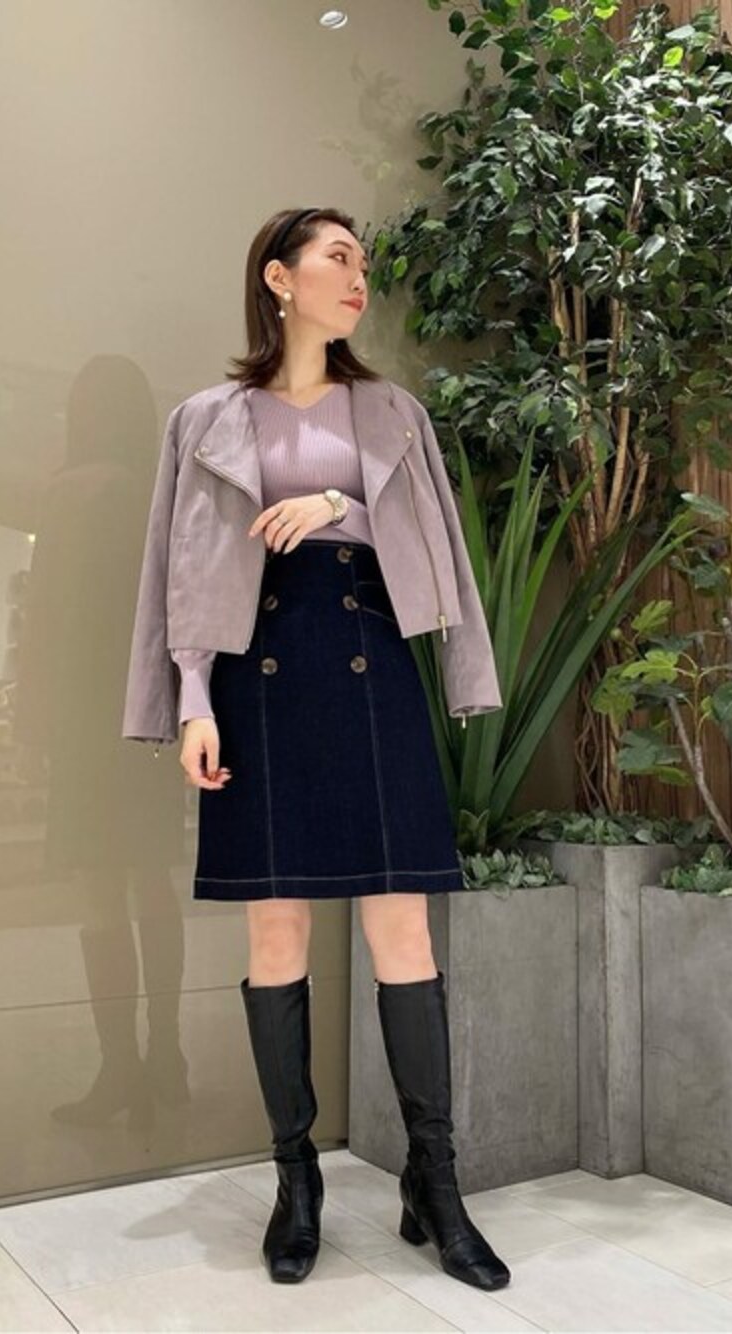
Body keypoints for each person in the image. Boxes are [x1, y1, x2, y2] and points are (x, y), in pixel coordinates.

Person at [124, 206, 510, 1290]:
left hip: (370, 664)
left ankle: (435, 1183)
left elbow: (435, 543)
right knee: (276, 928)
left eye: (363, 263)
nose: (358, 277)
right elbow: (180, 571)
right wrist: (192, 700)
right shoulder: (205, 419)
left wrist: (340, 499)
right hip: (257, 677)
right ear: (279, 278)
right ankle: (297, 1183)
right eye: (338, 257)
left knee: (403, 928)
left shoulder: (390, 412)